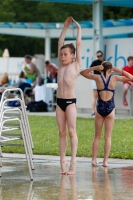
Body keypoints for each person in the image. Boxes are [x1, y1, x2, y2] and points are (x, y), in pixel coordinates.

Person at [80, 61, 133, 167]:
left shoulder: (97, 78)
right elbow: (130, 77)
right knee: (108, 136)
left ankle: (94, 160)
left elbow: (82, 73)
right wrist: (121, 71)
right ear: (110, 69)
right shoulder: (115, 78)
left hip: (99, 108)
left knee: (97, 136)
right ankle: (105, 162)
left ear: (101, 68)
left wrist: (94, 67)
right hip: (110, 108)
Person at [56, 16, 81, 175]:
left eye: (65, 54)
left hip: (70, 102)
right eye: (61, 54)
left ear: (72, 55)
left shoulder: (76, 65)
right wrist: (65, 27)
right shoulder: (60, 66)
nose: (63, 56)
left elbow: (78, 44)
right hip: (59, 102)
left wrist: (79, 29)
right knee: (62, 132)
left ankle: (73, 163)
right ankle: (62, 159)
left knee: (72, 131)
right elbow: (60, 43)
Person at [90, 50, 104, 117]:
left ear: (102, 55)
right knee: (95, 96)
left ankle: (101, 111)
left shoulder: (105, 62)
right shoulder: (95, 62)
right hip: (96, 79)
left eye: (100, 56)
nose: (99, 57)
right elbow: (89, 69)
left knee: (102, 96)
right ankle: (93, 112)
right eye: (98, 56)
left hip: (103, 79)